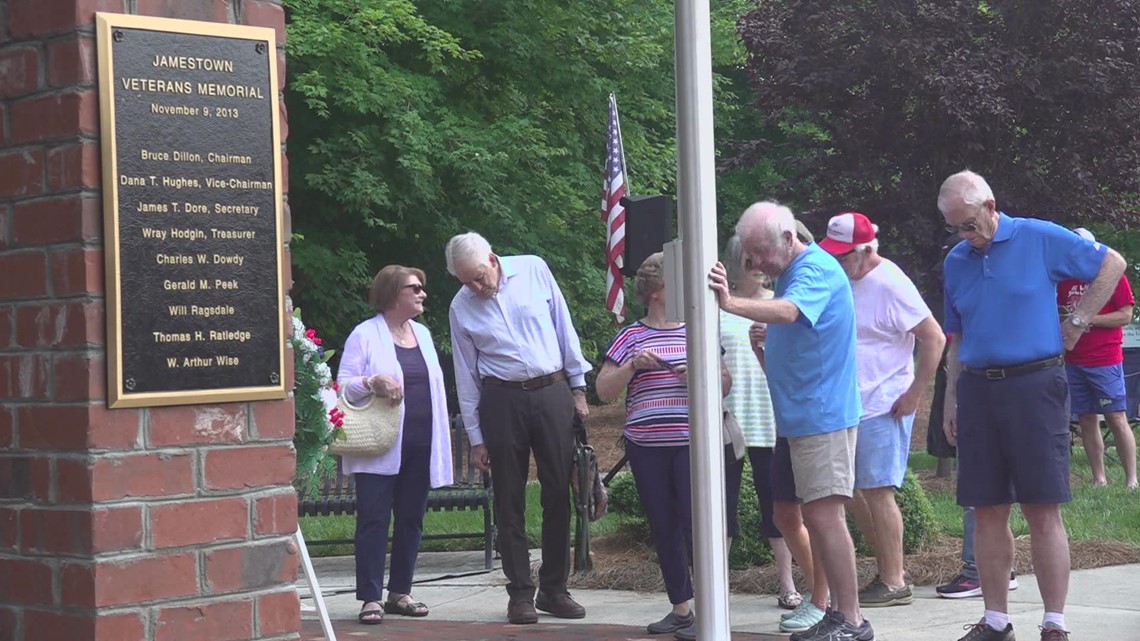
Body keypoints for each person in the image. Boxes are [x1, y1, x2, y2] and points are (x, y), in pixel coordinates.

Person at [938, 170, 1127, 641]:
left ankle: (1054, 622)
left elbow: (1113, 263)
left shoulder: (1038, 237)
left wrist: (1080, 320)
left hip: (1035, 384)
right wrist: (952, 397)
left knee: (1042, 506)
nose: (965, 236)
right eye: (955, 227)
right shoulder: (957, 261)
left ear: (991, 205)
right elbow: (956, 335)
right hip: (979, 388)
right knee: (986, 507)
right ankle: (997, 620)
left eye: (970, 225)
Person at [709, 202, 872, 641]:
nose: (756, 263)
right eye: (749, 255)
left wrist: (729, 303)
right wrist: (765, 353)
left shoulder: (813, 269)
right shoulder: (791, 275)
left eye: (760, 251)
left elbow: (789, 312)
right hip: (795, 420)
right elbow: (792, 347)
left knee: (824, 515)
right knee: (791, 513)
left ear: (788, 238)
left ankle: (851, 619)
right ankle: (831, 610)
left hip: (822, 418)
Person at [446, 232, 592, 625]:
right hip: (501, 399)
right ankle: (520, 593)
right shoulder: (461, 307)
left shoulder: (533, 269)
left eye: (478, 276)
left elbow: (564, 325)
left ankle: (554, 588)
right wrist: (476, 439)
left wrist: (578, 390)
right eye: (466, 282)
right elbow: (465, 375)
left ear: (492, 259)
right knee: (509, 499)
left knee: (558, 490)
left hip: (552, 389)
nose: (475, 287)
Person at [596, 252, 732, 640]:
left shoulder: (698, 329)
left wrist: (701, 373)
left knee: (698, 525)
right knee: (664, 525)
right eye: (676, 285)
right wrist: (632, 366)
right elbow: (603, 391)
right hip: (646, 447)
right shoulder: (630, 336)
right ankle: (681, 608)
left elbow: (725, 383)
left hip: (692, 444)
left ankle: (710, 610)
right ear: (657, 292)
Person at [818, 212, 945, 608]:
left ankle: (894, 580)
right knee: (852, 490)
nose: (838, 262)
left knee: (877, 490)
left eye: (844, 256)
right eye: (834, 254)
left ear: (867, 249)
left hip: (883, 402)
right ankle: (883, 569)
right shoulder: (843, 280)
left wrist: (914, 393)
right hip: (848, 402)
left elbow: (934, 337)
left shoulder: (890, 282)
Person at [337, 265, 455, 625]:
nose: (422, 294)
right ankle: (370, 598)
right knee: (373, 520)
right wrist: (373, 381)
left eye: (422, 287)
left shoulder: (423, 334)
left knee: (411, 519)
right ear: (392, 294)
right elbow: (342, 386)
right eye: (414, 288)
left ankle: (400, 592)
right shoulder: (365, 334)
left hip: (420, 443)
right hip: (380, 446)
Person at [719, 235, 803, 613]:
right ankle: (716, 585)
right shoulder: (715, 309)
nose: (756, 266)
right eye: (748, 260)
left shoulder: (779, 307)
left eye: (758, 259)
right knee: (722, 504)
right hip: (728, 421)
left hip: (770, 420)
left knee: (780, 504)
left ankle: (787, 583)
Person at [1058, 227, 1137, 488]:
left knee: (1116, 417)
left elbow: (1126, 315)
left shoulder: (1112, 274)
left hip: (1105, 359)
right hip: (1074, 359)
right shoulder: (1064, 280)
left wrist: (1087, 318)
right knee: (1086, 419)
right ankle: (1099, 479)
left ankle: (1131, 480)